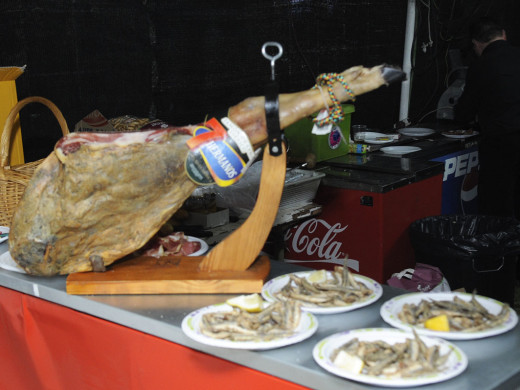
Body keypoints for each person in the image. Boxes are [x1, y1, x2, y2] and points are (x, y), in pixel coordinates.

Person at [454, 17, 520, 219]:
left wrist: (463, 121)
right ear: (504, 34)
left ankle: (501, 248)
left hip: (502, 145)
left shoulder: (482, 65)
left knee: (498, 203)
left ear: (476, 44)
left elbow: (464, 111)